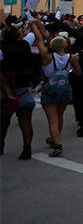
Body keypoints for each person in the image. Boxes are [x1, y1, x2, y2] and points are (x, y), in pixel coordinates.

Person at [31, 19, 78, 157]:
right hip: (65, 88)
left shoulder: (46, 56)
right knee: (60, 115)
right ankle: (56, 138)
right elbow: (78, 73)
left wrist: (35, 26)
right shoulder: (72, 57)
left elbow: (40, 39)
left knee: (52, 119)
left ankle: (57, 144)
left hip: (49, 89)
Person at [1, 21, 37, 160]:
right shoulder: (24, 45)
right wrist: (32, 23)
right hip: (24, 90)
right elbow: (33, 35)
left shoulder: (1, 48)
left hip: (6, 91)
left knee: (3, 123)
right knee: (26, 121)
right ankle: (27, 149)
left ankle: (1, 144)